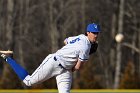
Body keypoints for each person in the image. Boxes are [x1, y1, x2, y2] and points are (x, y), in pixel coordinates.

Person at [0, 23, 100, 93]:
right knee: (28, 81)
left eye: (97, 33)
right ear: (88, 32)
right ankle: (9, 59)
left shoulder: (81, 37)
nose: (95, 35)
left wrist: (71, 52)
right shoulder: (86, 46)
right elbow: (77, 67)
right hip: (55, 63)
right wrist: (74, 60)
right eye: (93, 32)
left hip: (65, 70)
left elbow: (66, 41)